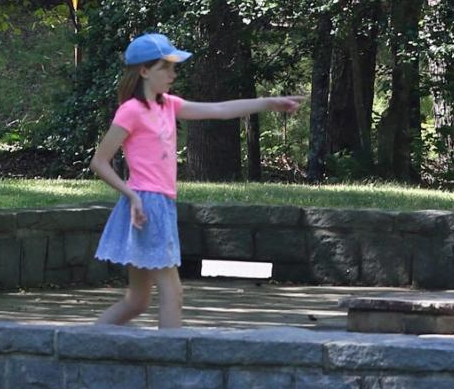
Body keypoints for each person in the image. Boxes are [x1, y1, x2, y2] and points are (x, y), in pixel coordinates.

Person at [90, 30, 305, 328]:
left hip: (158, 204)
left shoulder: (169, 105)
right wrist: (132, 195)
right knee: (173, 293)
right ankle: (172, 361)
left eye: (173, 67)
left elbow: (219, 110)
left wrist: (268, 103)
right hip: (147, 206)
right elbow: (100, 162)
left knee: (137, 301)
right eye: (165, 67)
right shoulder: (131, 112)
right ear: (143, 71)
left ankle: (84, 344)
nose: (172, 74)